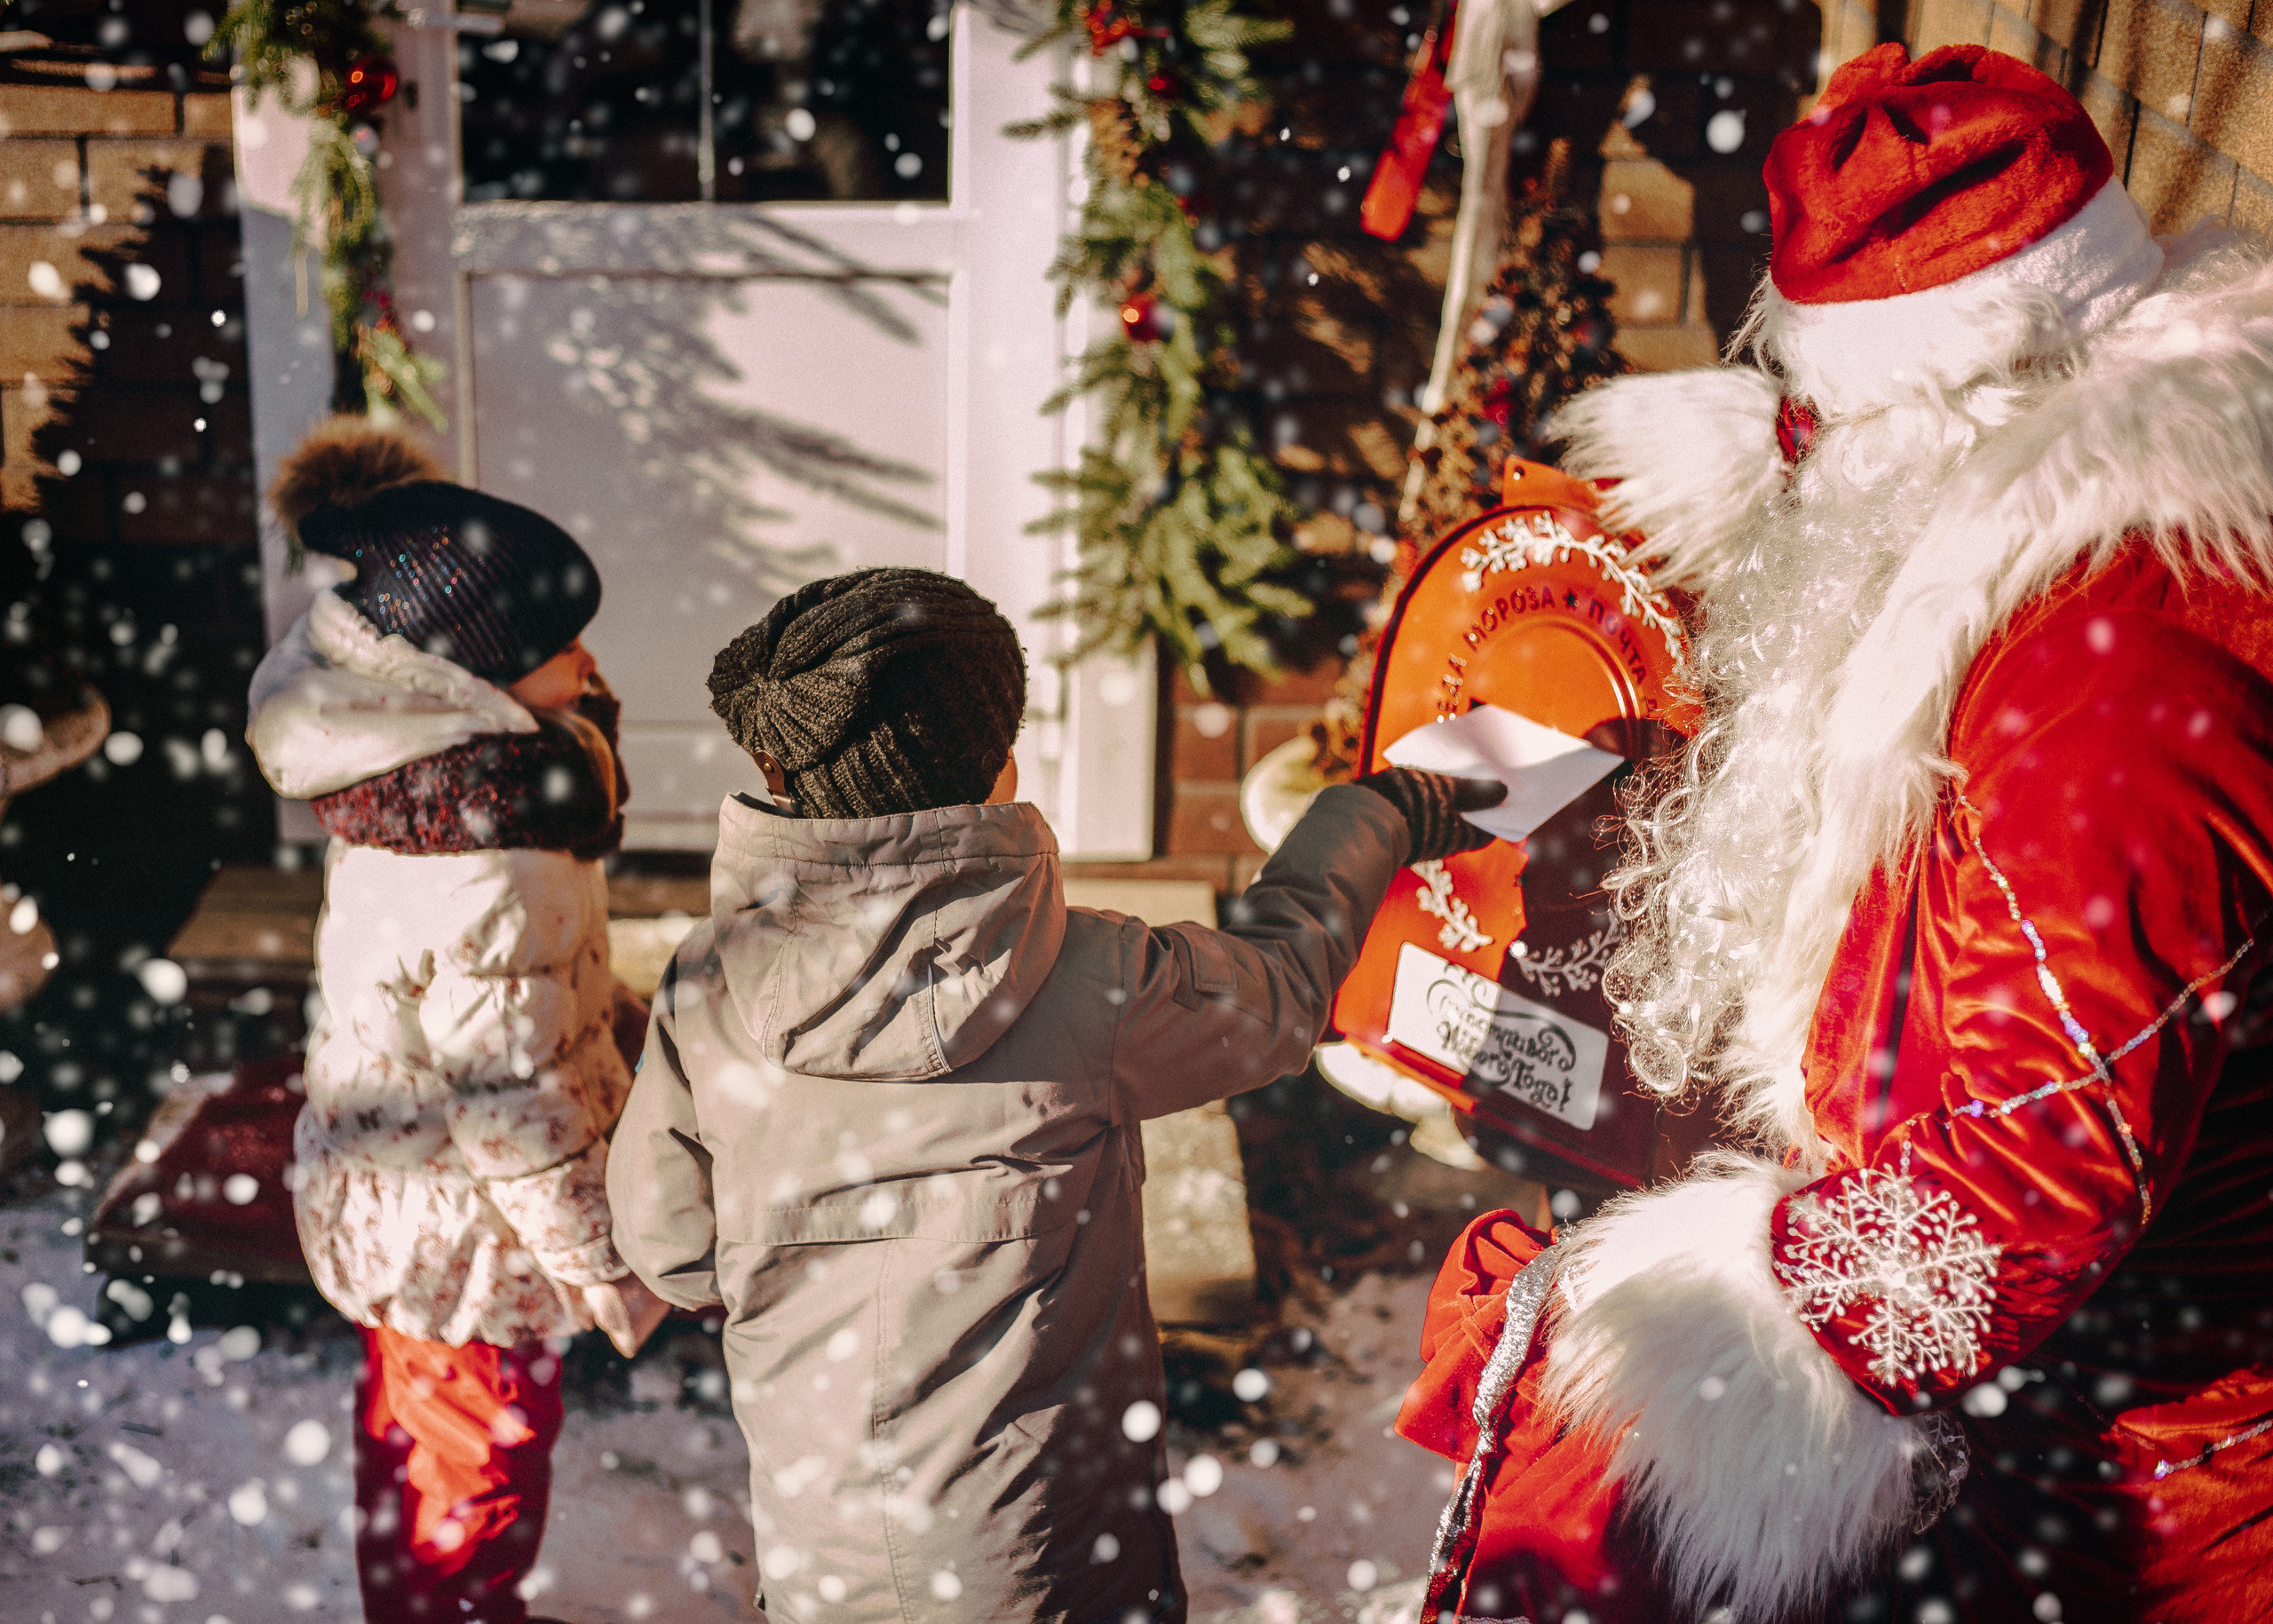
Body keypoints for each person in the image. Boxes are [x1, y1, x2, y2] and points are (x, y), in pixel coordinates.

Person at [1394, 41, 2273, 1624]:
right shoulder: (1987, 547)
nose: (1796, 457)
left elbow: (2030, 1171)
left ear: (1925, 408)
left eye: (1817, 422)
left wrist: (1674, 1322)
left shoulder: (2114, 678)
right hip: (2036, 1433)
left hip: (2149, 1486)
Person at [604, 566, 1501, 1624]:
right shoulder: (1094, 984)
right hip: (1042, 1566)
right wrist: (1368, 815)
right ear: (1000, 764)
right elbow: (1281, 993)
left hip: (823, 1551)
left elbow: (666, 1240)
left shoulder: (710, 986)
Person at [246, 419, 669, 1624]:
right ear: (471, 674)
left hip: (410, 1211)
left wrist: (619, 1025)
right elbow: (513, 1108)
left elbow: (498, 1014)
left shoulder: (431, 790)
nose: (588, 659)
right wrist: (612, 1261)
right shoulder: (487, 855)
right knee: (474, 1478)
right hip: (468, 1236)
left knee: (418, 1444)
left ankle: (422, 1604)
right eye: (556, 643)